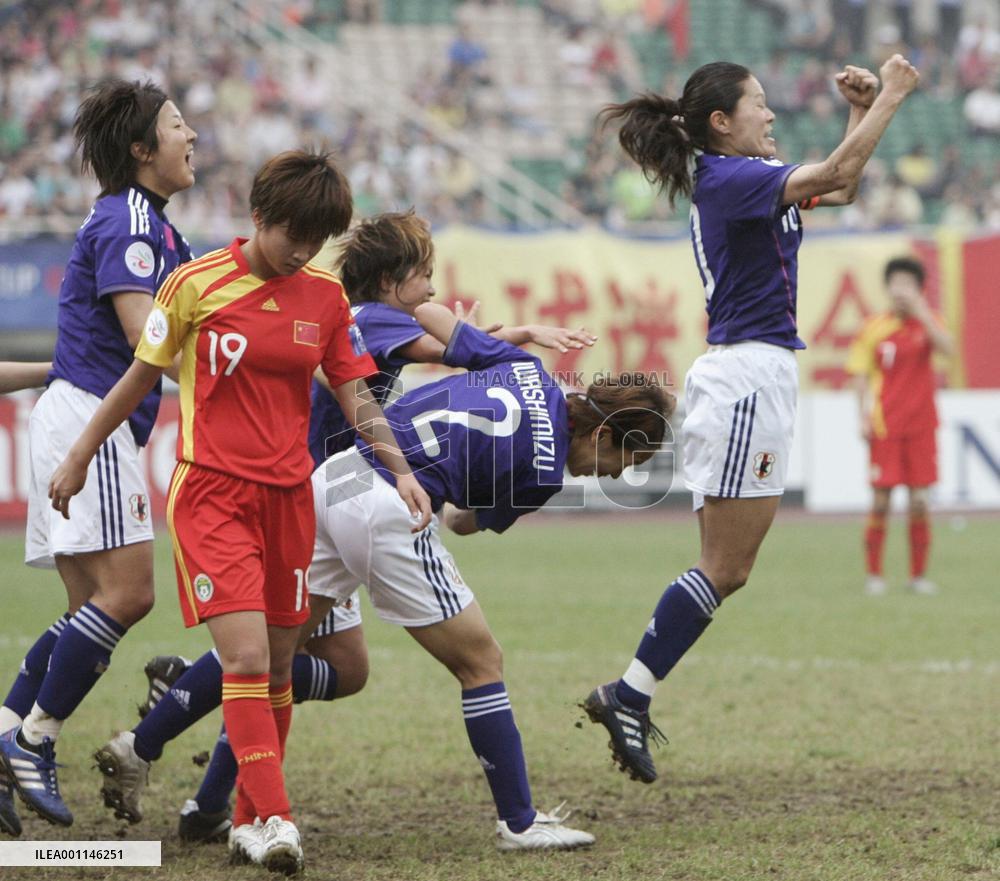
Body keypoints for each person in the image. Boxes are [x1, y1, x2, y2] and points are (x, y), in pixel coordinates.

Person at [87, 307, 670, 851]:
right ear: (601, 435)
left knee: (270, 653)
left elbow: (432, 316)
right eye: (624, 462)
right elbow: (462, 523)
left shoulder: (525, 366)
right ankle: (519, 822)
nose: (613, 476)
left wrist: (499, 334)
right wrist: (464, 482)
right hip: (391, 504)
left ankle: (141, 746)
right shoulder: (544, 471)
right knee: (480, 662)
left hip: (337, 476)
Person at [124, 209, 595, 844]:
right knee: (285, 664)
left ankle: (190, 786)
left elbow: (446, 341)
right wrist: (513, 336)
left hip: (329, 486)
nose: (431, 287)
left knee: (300, 663)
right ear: (392, 281)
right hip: (318, 492)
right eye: (423, 275)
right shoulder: (368, 319)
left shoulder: (363, 318)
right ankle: (189, 716)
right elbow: (443, 344)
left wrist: (502, 336)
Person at [46, 149, 433, 875]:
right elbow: (140, 377)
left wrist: (401, 471)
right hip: (213, 496)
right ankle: (277, 817)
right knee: (247, 658)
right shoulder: (193, 284)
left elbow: (356, 393)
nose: (304, 251)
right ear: (260, 216)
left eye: (317, 240)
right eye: (295, 235)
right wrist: (79, 453)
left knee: (279, 665)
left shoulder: (324, 299)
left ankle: (248, 821)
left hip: (289, 502)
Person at [580, 54, 920, 784]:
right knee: (726, 567)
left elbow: (841, 184)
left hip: (745, 377)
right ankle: (628, 693)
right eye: (757, 103)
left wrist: (859, 111)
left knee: (725, 567)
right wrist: (892, 94)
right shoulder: (732, 180)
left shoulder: (745, 176)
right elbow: (836, 173)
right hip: (747, 380)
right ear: (721, 122)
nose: (770, 114)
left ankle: (630, 693)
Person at [0, 79, 197, 837]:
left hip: (77, 411)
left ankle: (8, 732)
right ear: (142, 149)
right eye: (177, 126)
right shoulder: (130, 221)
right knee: (129, 596)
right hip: (90, 416)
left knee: (90, 608)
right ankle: (33, 738)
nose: (192, 136)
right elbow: (147, 335)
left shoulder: (146, 224)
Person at [846, 257, 952, 596]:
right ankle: (874, 575)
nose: (900, 290)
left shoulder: (929, 322)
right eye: (896, 283)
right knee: (881, 501)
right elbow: (860, 375)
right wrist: (862, 416)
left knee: (920, 501)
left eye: (908, 284)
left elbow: (949, 351)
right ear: (887, 287)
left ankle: (918, 577)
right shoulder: (873, 328)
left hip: (922, 425)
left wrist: (923, 314)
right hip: (885, 425)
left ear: (919, 289)